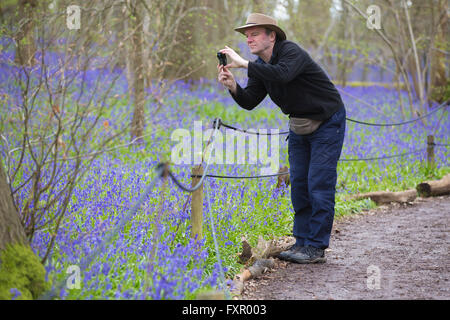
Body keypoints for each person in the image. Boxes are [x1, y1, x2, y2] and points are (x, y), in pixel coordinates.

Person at [217, 13, 346, 264]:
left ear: (272, 35)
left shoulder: (291, 52)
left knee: (318, 183)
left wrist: (244, 64)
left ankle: (316, 247)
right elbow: (250, 101)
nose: (249, 40)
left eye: (255, 34)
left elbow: (282, 74)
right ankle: (301, 241)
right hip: (299, 124)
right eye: (247, 36)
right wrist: (233, 85)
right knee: (298, 184)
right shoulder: (258, 67)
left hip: (328, 122)